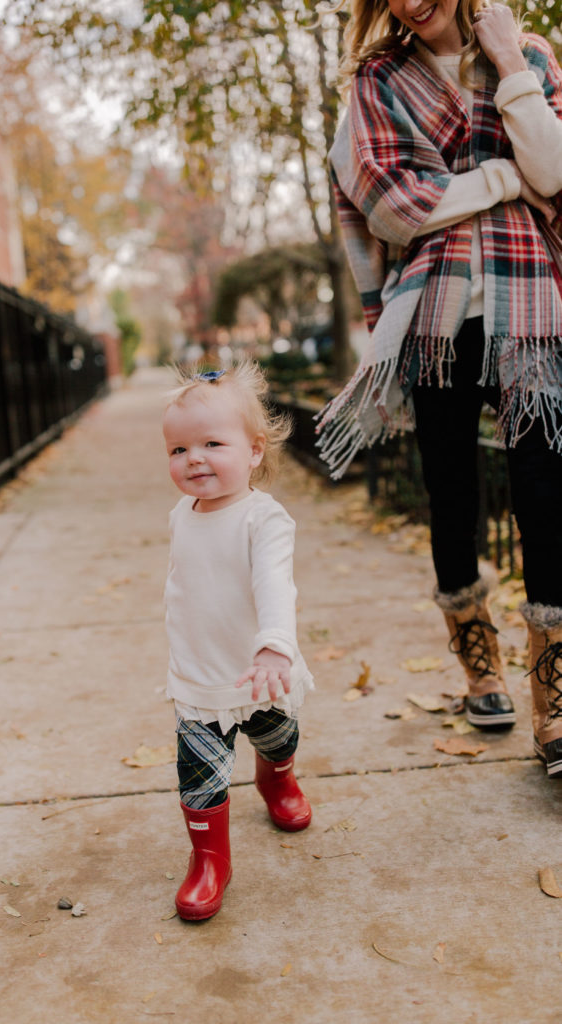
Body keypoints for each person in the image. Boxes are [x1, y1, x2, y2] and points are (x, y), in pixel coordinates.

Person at [317, 2, 562, 771]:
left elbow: (554, 173)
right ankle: (478, 662)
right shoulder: (378, 80)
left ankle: (554, 693)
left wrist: (509, 62)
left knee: (545, 497)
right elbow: (390, 207)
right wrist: (502, 176)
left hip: (532, 311)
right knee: (451, 492)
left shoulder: (528, 55)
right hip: (434, 317)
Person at [162, 362, 314, 920]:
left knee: (277, 739)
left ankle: (278, 780)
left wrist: (275, 644)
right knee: (198, 776)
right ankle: (209, 860)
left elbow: (275, 584)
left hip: (259, 673)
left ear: (253, 451)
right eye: (178, 449)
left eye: (211, 444)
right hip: (200, 678)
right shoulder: (181, 514)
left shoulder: (263, 520)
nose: (193, 458)